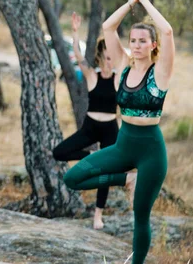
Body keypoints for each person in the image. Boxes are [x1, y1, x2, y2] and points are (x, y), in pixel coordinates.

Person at [64, 0, 174, 264]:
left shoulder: (160, 72)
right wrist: (132, 1)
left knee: (140, 216)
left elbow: (168, 32)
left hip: (151, 150)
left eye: (142, 41)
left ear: (152, 46)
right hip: (124, 145)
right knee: (72, 178)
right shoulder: (123, 65)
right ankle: (126, 179)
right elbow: (107, 27)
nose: (136, 45)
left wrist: (147, 3)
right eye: (133, 40)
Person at [53, 12, 118, 230]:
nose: (109, 62)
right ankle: (91, 156)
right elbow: (79, 56)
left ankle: (98, 215)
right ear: (100, 57)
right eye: (106, 57)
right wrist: (74, 32)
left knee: (106, 173)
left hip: (110, 129)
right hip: (90, 127)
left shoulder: (119, 78)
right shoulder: (92, 75)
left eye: (112, 58)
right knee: (59, 152)